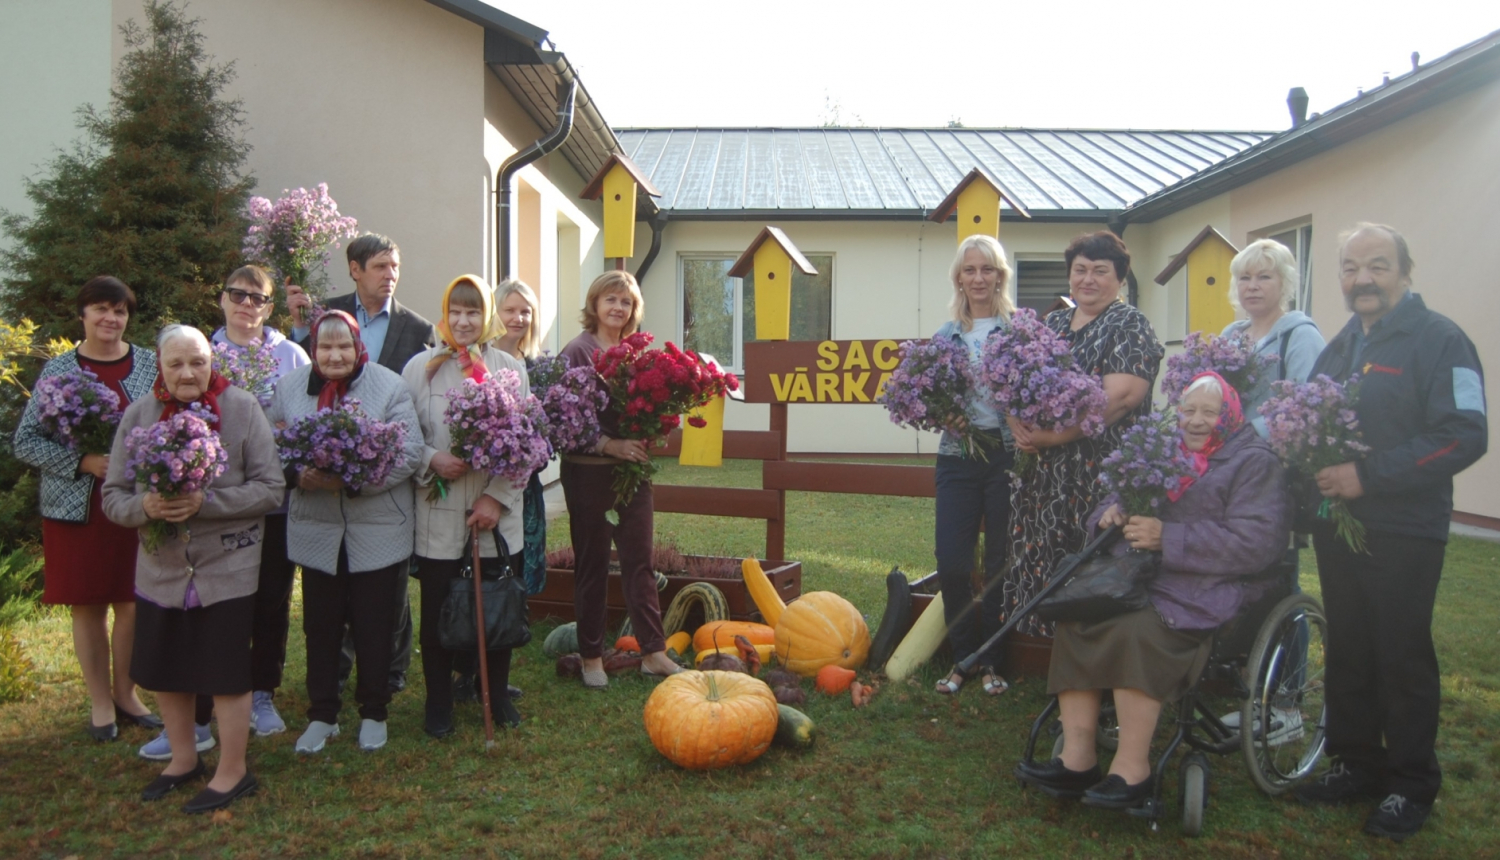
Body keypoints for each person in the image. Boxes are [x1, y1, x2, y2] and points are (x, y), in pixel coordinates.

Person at [1293, 224, 1486, 842]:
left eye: (1377, 266)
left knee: (1400, 654)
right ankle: (1356, 763)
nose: (1363, 279)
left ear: (1406, 272)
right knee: (1350, 646)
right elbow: (1307, 414)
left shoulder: (1440, 339)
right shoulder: (1345, 342)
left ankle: (1409, 783)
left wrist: (1368, 476)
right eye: (1351, 268)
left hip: (1405, 528)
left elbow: (1464, 434)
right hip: (1339, 529)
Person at [1016, 372, 1287, 808]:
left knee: (1138, 630)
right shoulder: (1161, 451)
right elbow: (1109, 499)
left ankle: (1132, 771)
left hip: (1205, 585)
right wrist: (1108, 515)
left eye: (1210, 413)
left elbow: (1259, 544)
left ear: (1232, 415)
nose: (1197, 422)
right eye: (1189, 411)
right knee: (1077, 615)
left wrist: (1169, 538)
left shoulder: (1254, 462)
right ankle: (1077, 759)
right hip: (1137, 577)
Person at [101, 325, 284, 812]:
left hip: (228, 566)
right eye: (177, 363)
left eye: (198, 362)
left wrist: (207, 501)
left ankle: (233, 771)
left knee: (225, 672)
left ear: (212, 362)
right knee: (167, 669)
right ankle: (184, 759)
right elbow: (113, 498)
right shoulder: (139, 416)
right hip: (161, 570)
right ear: (159, 364)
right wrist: (148, 506)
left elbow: (271, 488)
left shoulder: (242, 409)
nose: (188, 373)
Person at [134, 266, 312, 762]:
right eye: (237, 294)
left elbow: (301, 419)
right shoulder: (199, 349)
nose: (246, 304)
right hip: (196, 514)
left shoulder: (290, 354)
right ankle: (198, 715)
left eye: (257, 297)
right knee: (203, 610)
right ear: (222, 300)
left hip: (265, 501)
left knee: (269, 603)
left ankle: (260, 695)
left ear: (269, 307)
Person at [287, 233, 436, 697]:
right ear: (355, 269)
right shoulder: (323, 316)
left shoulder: (416, 327)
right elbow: (298, 384)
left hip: (382, 488)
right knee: (330, 599)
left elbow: (414, 402)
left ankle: (389, 671)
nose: (389, 275)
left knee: (386, 595)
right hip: (320, 507)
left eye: (394, 267)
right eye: (379, 267)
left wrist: (365, 472)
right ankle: (336, 673)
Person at [13, 276, 160, 741]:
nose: (110, 319)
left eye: (119, 311)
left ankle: (126, 693)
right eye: (100, 309)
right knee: (88, 606)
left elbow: (169, 420)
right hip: (78, 508)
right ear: (83, 315)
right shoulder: (58, 370)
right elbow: (25, 441)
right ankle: (100, 703)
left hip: (133, 504)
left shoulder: (149, 366)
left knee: (133, 602)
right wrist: (80, 462)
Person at [270, 310, 423, 753]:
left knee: (375, 624)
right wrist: (298, 474)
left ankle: (374, 710)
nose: (334, 355)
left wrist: (354, 479)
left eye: (343, 346)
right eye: (325, 347)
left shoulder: (388, 385)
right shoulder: (289, 388)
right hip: (318, 530)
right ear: (313, 349)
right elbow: (271, 443)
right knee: (321, 625)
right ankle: (323, 714)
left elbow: (409, 451)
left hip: (377, 528)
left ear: (358, 348)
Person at [1005, 232, 1164, 642]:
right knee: (1043, 555)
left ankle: (1092, 657)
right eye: (1080, 270)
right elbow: (1014, 379)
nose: (1088, 279)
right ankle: (1046, 654)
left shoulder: (1130, 324)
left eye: (1100, 271)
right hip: (1044, 476)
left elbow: (1121, 399)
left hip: (1099, 473)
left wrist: (1052, 438)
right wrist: (1016, 422)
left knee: (1090, 564)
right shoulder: (1053, 322)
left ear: (1120, 278)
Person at [402, 276, 527, 737]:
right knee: (438, 613)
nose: (463, 321)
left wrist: (496, 497)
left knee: (495, 608)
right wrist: (431, 459)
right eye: (455, 311)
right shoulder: (420, 368)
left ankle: (495, 690)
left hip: (492, 516)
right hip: (438, 515)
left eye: (473, 312)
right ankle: (438, 702)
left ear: (487, 315)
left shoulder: (509, 367)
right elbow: (403, 436)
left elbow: (526, 443)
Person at [558, 271, 682, 688]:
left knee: (640, 562)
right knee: (592, 565)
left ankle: (654, 652)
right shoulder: (578, 351)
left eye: (625, 302)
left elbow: (647, 404)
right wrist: (610, 444)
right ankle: (592, 655)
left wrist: (654, 426)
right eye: (610, 300)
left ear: (634, 311)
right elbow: (565, 420)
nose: (617, 308)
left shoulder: (634, 354)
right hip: (589, 475)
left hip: (633, 474)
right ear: (594, 305)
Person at [929, 235, 1016, 697]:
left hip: (1004, 455)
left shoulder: (1019, 330)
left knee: (1000, 562)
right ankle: (963, 659)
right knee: (953, 562)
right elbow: (925, 393)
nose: (979, 278)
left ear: (1000, 276)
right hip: (957, 457)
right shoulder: (946, 336)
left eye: (988, 270)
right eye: (970, 270)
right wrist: (943, 412)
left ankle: (994, 663)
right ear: (959, 278)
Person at [1221, 238, 1326, 437]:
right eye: (1244, 277)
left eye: (1264, 277)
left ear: (1284, 283)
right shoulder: (1228, 336)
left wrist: (1249, 434)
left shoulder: (1302, 336)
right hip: (1223, 455)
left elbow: (1308, 407)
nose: (1252, 286)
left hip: (1272, 458)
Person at [494, 278, 548, 597]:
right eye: (509, 310)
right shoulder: (478, 363)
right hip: (486, 482)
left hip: (526, 484)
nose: (518, 318)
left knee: (520, 570)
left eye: (526, 312)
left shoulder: (537, 368)